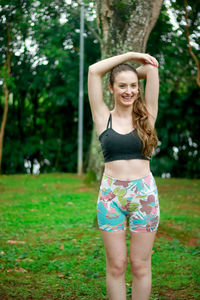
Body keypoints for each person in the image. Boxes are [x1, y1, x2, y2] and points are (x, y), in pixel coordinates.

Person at [88, 52, 160, 300]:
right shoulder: (102, 116)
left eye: (133, 86)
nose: (129, 91)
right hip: (111, 198)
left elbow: (151, 70)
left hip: (145, 197)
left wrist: (130, 73)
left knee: (140, 266)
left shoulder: (147, 115)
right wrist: (130, 57)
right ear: (111, 88)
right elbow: (93, 71)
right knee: (116, 265)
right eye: (122, 86)